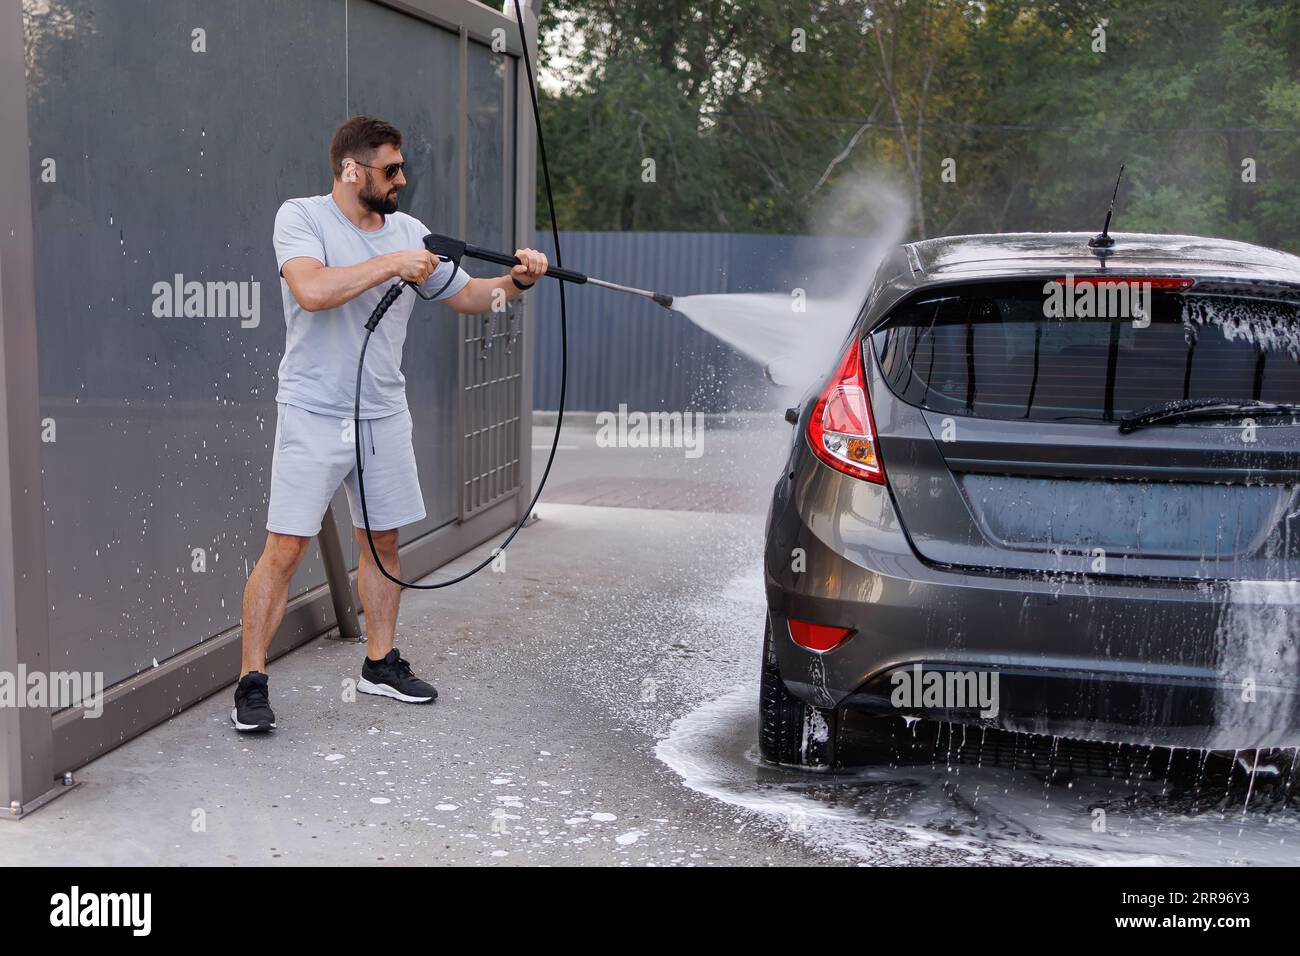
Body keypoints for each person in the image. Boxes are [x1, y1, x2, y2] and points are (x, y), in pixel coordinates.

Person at [232, 115, 548, 732]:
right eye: (390, 169)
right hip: (313, 411)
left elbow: (469, 297)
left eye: (402, 167)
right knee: (286, 546)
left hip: (382, 412)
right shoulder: (301, 217)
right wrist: (392, 264)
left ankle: (379, 664)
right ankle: (251, 681)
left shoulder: (410, 231)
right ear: (353, 171)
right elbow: (313, 292)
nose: (402, 179)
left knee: (382, 541)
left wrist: (516, 281)